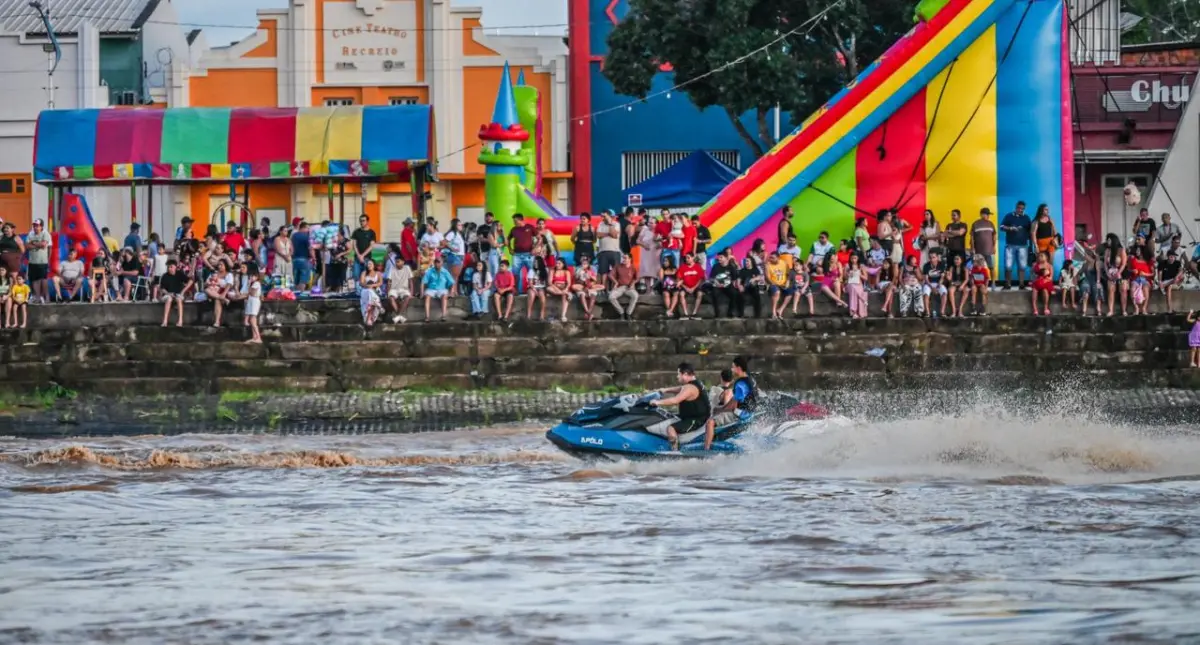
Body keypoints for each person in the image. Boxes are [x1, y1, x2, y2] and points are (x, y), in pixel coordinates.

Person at [647, 362, 711, 451]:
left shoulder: (690, 388)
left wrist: (657, 402)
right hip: (694, 416)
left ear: (685, 374)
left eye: (678, 374)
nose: (677, 377)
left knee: (670, 428)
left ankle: (675, 451)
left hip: (696, 420)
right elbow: (681, 388)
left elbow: (675, 400)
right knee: (668, 416)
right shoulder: (695, 383)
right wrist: (665, 390)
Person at [701, 369, 739, 452]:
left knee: (710, 422)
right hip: (721, 414)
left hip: (718, 414)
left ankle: (706, 449)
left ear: (720, 377)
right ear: (732, 380)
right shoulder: (727, 391)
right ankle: (707, 448)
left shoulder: (714, 389)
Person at [1000, 201, 1032, 289]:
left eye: (1022, 209)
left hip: (1023, 246)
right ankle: (1007, 284)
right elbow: (1001, 227)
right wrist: (1010, 228)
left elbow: (1030, 231)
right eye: (1019, 208)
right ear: (1016, 207)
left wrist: (1031, 245)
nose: (1020, 210)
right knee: (1008, 265)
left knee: (1022, 266)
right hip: (1010, 245)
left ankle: (1021, 284)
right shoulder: (1009, 216)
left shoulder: (1026, 218)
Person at [25, 219, 51, 304]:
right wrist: (37, 244)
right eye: (34, 225)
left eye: (37, 226)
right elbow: (27, 246)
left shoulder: (45, 233)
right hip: (32, 261)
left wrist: (33, 243)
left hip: (42, 261)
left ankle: (46, 297)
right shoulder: (31, 233)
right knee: (34, 279)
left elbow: (44, 245)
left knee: (43, 279)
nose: (35, 227)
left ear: (41, 226)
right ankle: (37, 297)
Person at [607, 253, 640, 320]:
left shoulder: (634, 267)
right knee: (611, 297)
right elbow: (610, 275)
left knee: (635, 295)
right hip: (620, 287)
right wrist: (615, 282)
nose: (623, 259)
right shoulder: (618, 266)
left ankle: (628, 313)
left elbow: (638, 278)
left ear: (630, 259)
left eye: (625, 258)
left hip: (629, 287)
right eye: (623, 258)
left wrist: (633, 283)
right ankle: (621, 312)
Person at [421, 256, 454, 322]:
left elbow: (452, 282)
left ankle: (443, 316)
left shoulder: (445, 271)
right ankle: (427, 317)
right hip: (431, 289)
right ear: (434, 263)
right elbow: (423, 282)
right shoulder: (430, 271)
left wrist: (451, 292)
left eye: (439, 262)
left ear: (442, 263)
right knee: (427, 296)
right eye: (436, 262)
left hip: (442, 289)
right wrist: (421, 293)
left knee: (444, 296)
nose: (437, 264)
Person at [159, 259, 189, 327]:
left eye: (171, 267)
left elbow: (189, 281)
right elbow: (162, 288)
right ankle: (165, 321)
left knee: (179, 299)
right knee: (169, 299)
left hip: (178, 294)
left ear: (175, 267)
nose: (170, 269)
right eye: (168, 267)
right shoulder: (165, 276)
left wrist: (183, 291)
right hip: (167, 294)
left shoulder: (179, 274)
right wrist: (169, 293)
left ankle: (180, 320)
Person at [351, 215, 378, 283]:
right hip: (357, 258)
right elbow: (354, 245)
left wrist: (362, 255)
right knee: (356, 276)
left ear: (367, 221)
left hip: (367, 258)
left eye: (363, 220)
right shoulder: (356, 232)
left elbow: (372, 246)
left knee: (366, 276)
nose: (361, 222)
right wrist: (359, 255)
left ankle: (365, 291)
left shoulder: (371, 232)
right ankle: (357, 292)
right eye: (360, 221)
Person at [595, 211, 622, 277]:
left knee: (615, 272)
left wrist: (610, 224)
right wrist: (608, 234)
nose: (603, 218)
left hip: (614, 251)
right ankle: (604, 287)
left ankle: (614, 287)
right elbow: (598, 235)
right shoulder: (600, 224)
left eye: (604, 216)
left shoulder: (616, 224)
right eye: (602, 216)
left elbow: (614, 235)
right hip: (603, 251)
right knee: (603, 272)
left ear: (610, 216)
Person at [243, 264, 263, 343]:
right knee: (252, 321)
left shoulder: (256, 283)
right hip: (251, 301)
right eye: (250, 277)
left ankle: (258, 337)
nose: (251, 278)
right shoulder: (252, 284)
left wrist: (249, 285)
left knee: (252, 320)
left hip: (254, 302)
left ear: (256, 277)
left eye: (252, 276)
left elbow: (252, 293)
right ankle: (254, 337)